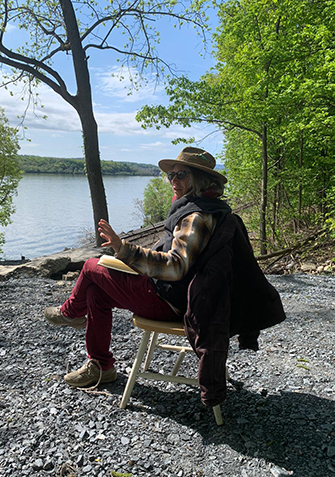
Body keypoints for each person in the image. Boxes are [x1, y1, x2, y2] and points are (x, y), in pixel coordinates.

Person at [44, 146, 234, 388]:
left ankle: (70, 313)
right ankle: (101, 366)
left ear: (199, 179)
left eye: (181, 175)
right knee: (95, 292)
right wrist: (130, 257)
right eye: (171, 175)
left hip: (172, 302)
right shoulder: (204, 207)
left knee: (92, 266)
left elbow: (175, 267)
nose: (174, 180)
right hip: (179, 296)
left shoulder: (196, 216)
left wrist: (124, 249)